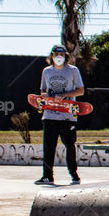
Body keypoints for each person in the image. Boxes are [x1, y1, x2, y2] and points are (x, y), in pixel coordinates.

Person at [34, 45, 84, 185]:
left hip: (67, 115)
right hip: (49, 115)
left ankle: (74, 175)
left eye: (61, 54)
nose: (58, 57)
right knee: (48, 147)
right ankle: (47, 176)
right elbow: (43, 90)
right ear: (51, 56)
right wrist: (47, 97)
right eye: (56, 54)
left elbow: (80, 91)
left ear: (65, 56)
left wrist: (65, 95)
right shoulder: (46, 71)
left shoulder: (73, 71)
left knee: (69, 145)